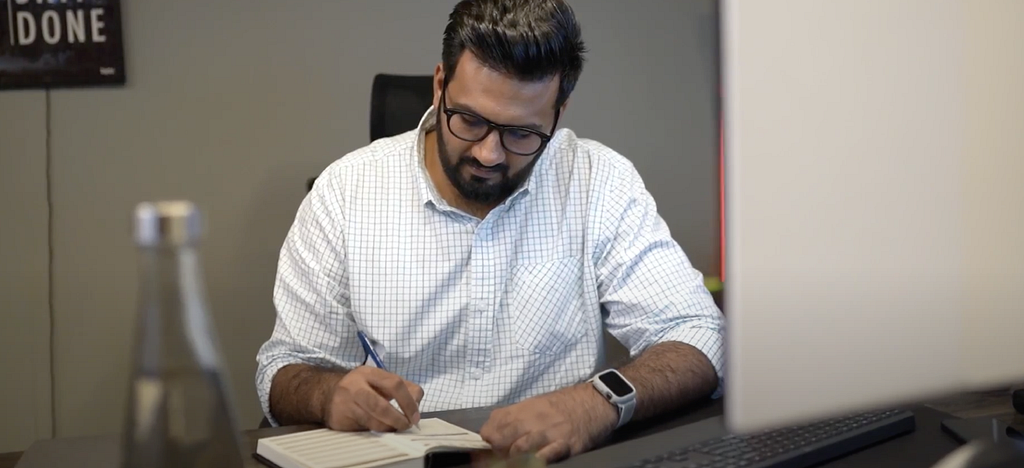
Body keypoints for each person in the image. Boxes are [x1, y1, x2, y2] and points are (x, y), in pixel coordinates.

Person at [255, 0, 725, 462]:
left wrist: (596, 401)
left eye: (522, 133)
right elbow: (282, 369)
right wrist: (327, 394)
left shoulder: (598, 181)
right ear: (440, 86)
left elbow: (698, 333)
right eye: (471, 120)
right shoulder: (346, 191)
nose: (489, 154)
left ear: (558, 114)